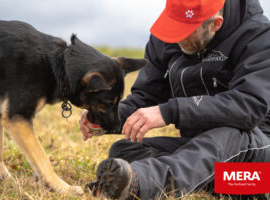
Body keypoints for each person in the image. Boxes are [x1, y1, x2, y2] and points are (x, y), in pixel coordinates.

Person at [79, 0, 270, 199]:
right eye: (174, 26)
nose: (176, 37)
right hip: (200, 153)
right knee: (124, 150)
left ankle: (137, 185)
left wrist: (170, 111)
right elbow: (147, 96)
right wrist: (106, 117)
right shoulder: (167, 37)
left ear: (215, 24)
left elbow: (248, 107)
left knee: (228, 135)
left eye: (186, 30)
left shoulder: (259, 37)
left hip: (257, 160)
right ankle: (210, 183)